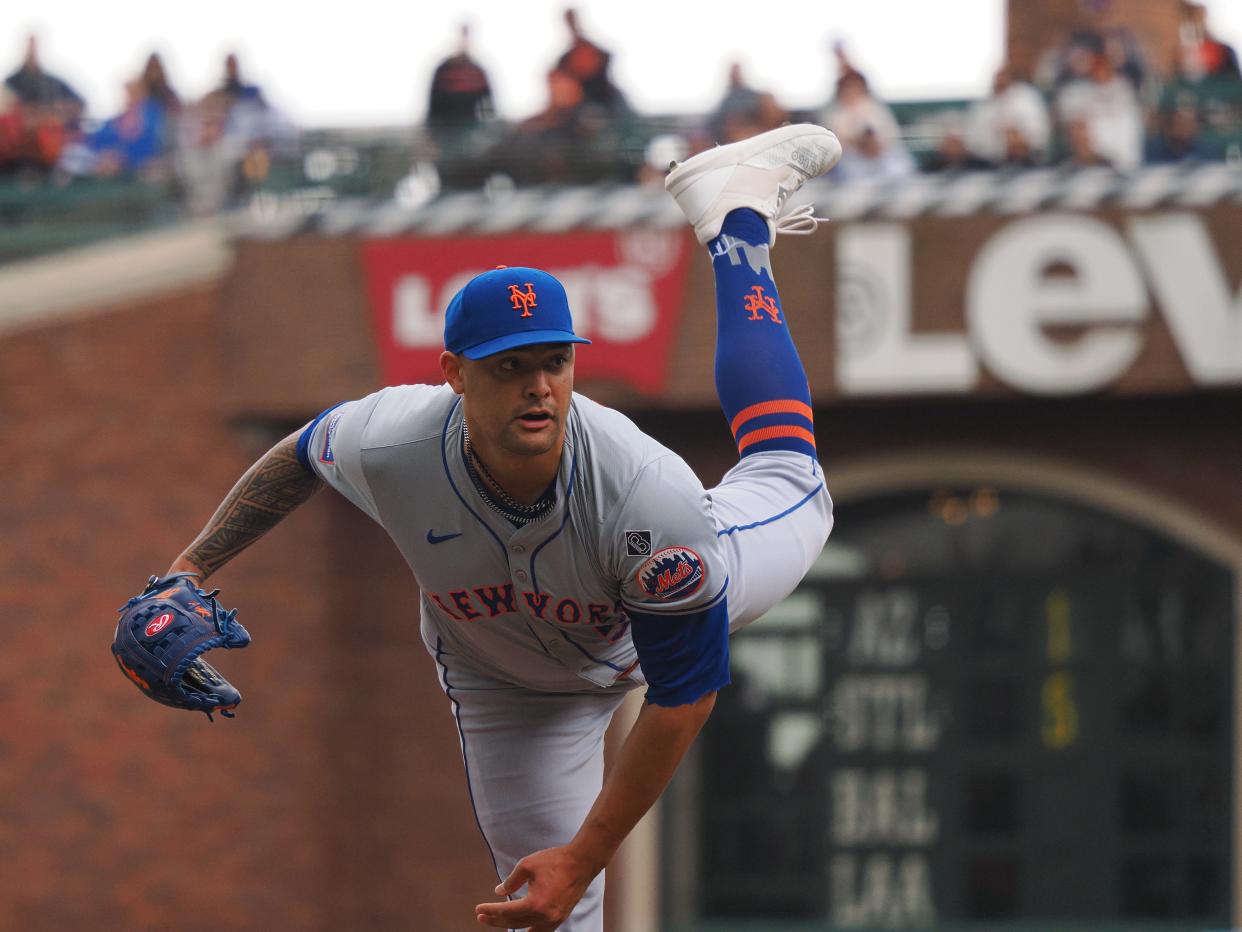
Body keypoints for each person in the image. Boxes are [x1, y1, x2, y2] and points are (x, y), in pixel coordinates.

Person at [159, 123, 840, 930]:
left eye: (554, 361)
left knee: (793, 478)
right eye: (510, 366)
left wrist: (588, 855)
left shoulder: (645, 493)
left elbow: (685, 694)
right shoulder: (394, 440)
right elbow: (302, 454)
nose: (539, 386)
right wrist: (187, 571)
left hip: (652, 614)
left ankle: (736, 223)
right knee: (543, 912)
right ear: (453, 374)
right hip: (509, 688)